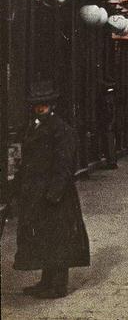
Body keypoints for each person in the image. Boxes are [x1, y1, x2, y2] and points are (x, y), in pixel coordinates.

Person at [12, 80, 90, 298]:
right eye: (37, 104)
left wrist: (53, 194)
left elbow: (64, 165)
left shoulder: (61, 130)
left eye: (44, 104)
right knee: (45, 240)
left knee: (58, 240)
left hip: (55, 196)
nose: (40, 108)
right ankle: (46, 282)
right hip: (37, 193)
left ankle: (58, 286)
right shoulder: (35, 126)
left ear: (52, 105)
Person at [95, 83, 119, 169]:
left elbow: (113, 112)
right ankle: (110, 161)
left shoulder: (109, 99)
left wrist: (111, 124)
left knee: (109, 142)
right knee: (107, 142)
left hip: (108, 124)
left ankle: (111, 161)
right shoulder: (108, 98)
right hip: (105, 123)